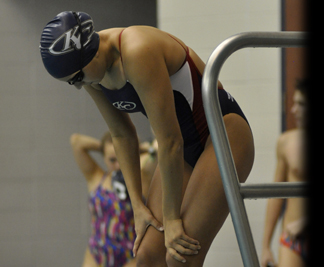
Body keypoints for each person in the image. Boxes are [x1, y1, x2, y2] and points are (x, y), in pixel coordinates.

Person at [41, 11, 254, 267]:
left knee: (180, 256)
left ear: (91, 52)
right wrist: (137, 207)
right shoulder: (92, 75)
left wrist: (172, 219)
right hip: (182, 148)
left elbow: (170, 140)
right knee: (147, 257)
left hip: (222, 133)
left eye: (76, 78)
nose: (78, 85)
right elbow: (122, 135)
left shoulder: (136, 49)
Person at [71, 132, 157, 267]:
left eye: (122, 159)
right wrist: (109, 145)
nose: (118, 165)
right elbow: (76, 141)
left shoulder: (141, 180)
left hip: (129, 256)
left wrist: (135, 148)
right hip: (97, 254)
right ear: (104, 157)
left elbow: (158, 151)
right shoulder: (96, 178)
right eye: (112, 159)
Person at [260, 79, 308, 267]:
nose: (294, 110)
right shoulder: (286, 142)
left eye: (301, 104)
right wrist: (265, 246)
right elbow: (276, 196)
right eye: (294, 103)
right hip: (292, 240)